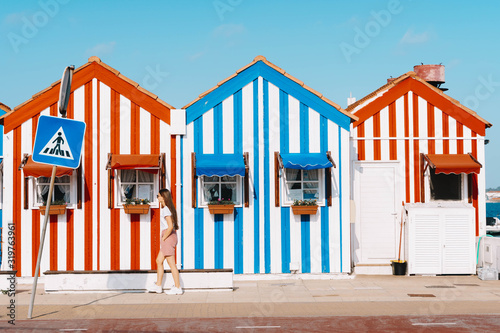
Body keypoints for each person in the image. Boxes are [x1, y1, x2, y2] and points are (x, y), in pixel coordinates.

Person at [147, 188, 183, 295]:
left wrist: (163, 238)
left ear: (163, 197)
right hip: (168, 236)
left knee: (171, 263)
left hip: (167, 237)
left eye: (158, 196)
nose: (157, 197)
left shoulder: (166, 209)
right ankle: (158, 286)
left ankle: (177, 287)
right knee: (159, 260)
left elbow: (170, 226)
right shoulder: (167, 209)